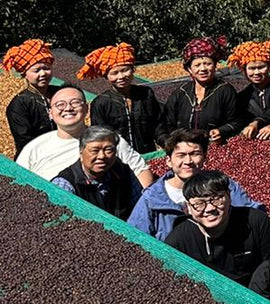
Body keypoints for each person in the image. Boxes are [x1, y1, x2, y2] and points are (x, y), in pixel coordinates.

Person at [128, 129, 262, 239]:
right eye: (181, 155)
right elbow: (135, 237)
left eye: (195, 154)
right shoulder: (152, 198)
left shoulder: (223, 185)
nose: (188, 161)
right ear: (168, 161)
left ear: (204, 157)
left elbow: (252, 214)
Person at [165, 169, 270, 286]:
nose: (210, 208)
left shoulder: (256, 221)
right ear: (188, 207)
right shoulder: (179, 240)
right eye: (199, 203)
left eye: (216, 199)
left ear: (229, 197)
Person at [16, 86, 153, 185]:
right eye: (60, 104)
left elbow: (141, 171)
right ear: (50, 113)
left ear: (86, 109)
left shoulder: (107, 140)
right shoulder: (35, 147)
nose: (68, 108)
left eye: (75, 102)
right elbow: (18, 183)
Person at [81, 42, 163, 153]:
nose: (121, 76)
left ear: (132, 69)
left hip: (147, 153)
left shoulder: (146, 94)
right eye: (114, 73)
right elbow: (100, 135)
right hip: (117, 158)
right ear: (107, 76)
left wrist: (167, 143)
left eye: (125, 70)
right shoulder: (101, 103)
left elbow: (158, 125)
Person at [51, 126, 145, 218]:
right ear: (81, 151)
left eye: (108, 150)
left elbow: (141, 209)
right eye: (95, 150)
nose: (101, 156)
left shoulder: (123, 172)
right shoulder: (65, 184)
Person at [160, 37, 242, 143]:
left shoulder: (225, 91)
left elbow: (237, 121)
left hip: (216, 147)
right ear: (189, 69)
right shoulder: (181, 93)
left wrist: (221, 131)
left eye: (208, 64)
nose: (203, 69)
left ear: (215, 66)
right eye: (197, 65)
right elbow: (167, 123)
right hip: (187, 149)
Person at [3, 39, 56, 155]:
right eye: (36, 70)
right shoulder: (20, 104)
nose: (43, 74)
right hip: (34, 159)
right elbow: (25, 140)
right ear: (24, 74)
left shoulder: (60, 93)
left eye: (46, 68)